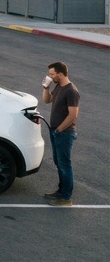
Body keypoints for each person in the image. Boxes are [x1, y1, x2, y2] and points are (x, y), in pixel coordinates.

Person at [42, 61, 80, 206]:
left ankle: (66, 198)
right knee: (59, 162)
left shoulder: (71, 91)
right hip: (56, 131)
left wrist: (59, 130)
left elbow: (73, 115)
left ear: (60, 73)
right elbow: (47, 100)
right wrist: (46, 87)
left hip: (64, 133)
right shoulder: (59, 86)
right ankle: (61, 191)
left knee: (65, 164)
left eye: (52, 74)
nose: (50, 76)